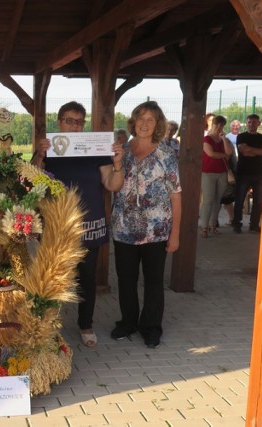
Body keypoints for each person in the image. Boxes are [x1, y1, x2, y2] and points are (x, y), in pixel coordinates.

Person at [32, 101, 124, 348]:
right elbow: (31, 182)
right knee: (51, 276)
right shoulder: (49, 150)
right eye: (69, 120)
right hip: (57, 224)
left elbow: (112, 185)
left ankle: (85, 324)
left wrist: (117, 164)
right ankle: (47, 324)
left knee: (86, 277)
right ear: (59, 121)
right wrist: (39, 155)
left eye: (79, 121)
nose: (74, 126)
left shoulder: (96, 149)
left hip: (89, 223)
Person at [110, 101, 182, 349]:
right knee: (126, 279)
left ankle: (151, 327)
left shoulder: (166, 155)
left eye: (150, 119)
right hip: (123, 229)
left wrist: (175, 234)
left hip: (156, 231)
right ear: (133, 121)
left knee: (153, 281)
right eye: (140, 118)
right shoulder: (122, 151)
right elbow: (113, 184)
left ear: (158, 124)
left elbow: (176, 195)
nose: (144, 123)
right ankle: (128, 322)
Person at [232, 114, 262, 234]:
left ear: (259, 123)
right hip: (243, 172)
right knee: (240, 199)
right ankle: (237, 224)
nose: (251, 124)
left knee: (258, 201)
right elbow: (244, 152)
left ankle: (254, 225)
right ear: (246, 124)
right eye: (249, 122)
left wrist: (250, 149)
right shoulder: (241, 136)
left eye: (254, 122)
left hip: (259, 173)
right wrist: (258, 151)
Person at [199, 116, 233, 237]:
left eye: (222, 125)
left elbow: (229, 153)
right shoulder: (206, 139)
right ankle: (204, 227)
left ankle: (213, 225)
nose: (219, 127)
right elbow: (211, 154)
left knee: (218, 201)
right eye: (217, 124)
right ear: (212, 124)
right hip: (207, 173)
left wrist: (224, 139)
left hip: (222, 173)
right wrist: (224, 155)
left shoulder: (224, 139)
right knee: (208, 200)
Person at [220, 119, 241, 224]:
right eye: (234, 125)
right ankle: (213, 221)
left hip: (229, 172)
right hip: (221, 171)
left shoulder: (227, 141)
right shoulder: (227, 138)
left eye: (237, 126)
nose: (235, 127)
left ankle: (231, 219)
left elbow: (231, 158)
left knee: (227, 198)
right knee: (218, 198)